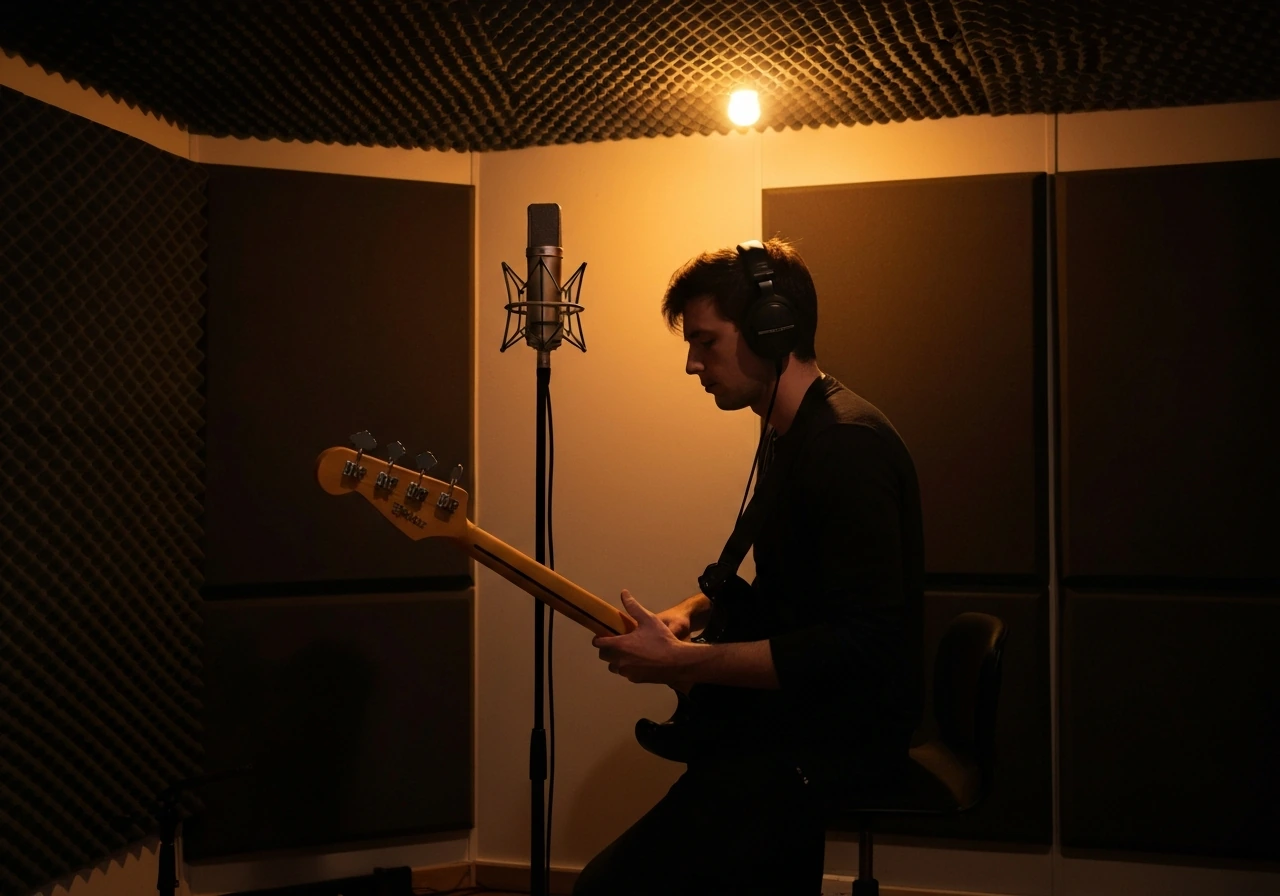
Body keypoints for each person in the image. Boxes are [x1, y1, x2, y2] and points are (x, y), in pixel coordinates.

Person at [575, 238, 925, 896]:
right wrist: (689, 613)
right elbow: (795, 591)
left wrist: (682, 665)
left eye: (705, 342)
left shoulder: (846, 448)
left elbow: (862, 645)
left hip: (834, 734)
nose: (691, 364)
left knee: (610, 890)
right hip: (797, 718)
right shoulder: (792, 435)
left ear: (772, 331)